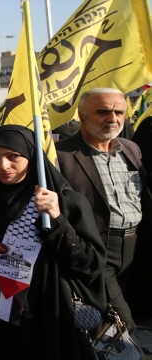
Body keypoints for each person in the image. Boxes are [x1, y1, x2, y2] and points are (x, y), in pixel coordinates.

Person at [0, 125, 106, 359]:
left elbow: (90, 264)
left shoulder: (61, 201)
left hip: (48, 318)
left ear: (31, 156)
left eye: (13, 156)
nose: (3, 166)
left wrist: (57, 220)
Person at [56, 88, 152, 336]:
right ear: (81, 115)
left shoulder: (131, 149)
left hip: (134, 246)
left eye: (119, 111)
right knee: (122, 320)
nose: (113, 118)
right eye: (103, 111)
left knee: (109, 318)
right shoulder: (60, 155)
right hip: (94, 247)